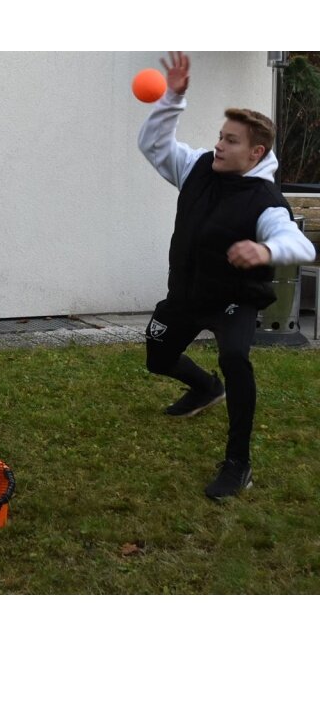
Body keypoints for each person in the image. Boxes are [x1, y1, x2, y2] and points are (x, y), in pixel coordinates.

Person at [138, 51, 316, 500]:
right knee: (158, 358)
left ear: (256, 152)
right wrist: (172, 99)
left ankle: (238, 462)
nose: (219, 145)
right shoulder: (197, 166)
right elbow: (153, 146)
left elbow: (301, 245)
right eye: (220, 136)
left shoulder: (265, 200)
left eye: (231, 140)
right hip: (187, 293)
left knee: (235, 358)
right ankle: (204, 388)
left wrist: (265, 249)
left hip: (233, 299)